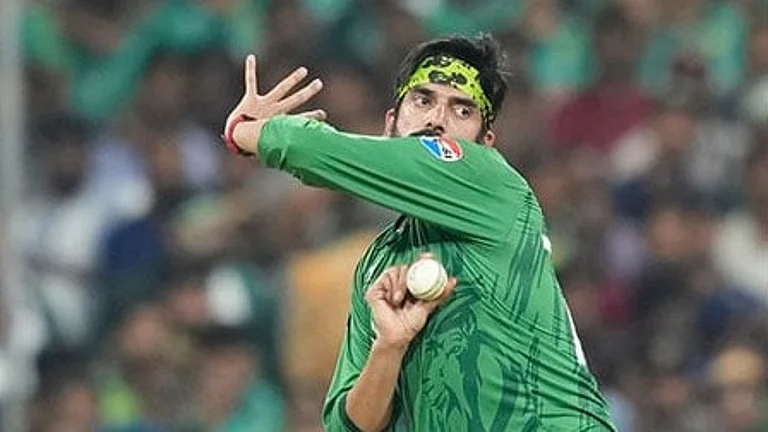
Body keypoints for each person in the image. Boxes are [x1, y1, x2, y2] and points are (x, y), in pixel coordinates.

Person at [221, 35, 616, 431]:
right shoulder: (378, 264)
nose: (436, 120)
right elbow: (350, 426)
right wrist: (389, 346)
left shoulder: (495, 186)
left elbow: (314, 149)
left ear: (485, 144)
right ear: (390, 124)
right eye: (423, 100)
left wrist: (243, 132)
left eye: (461, 110)